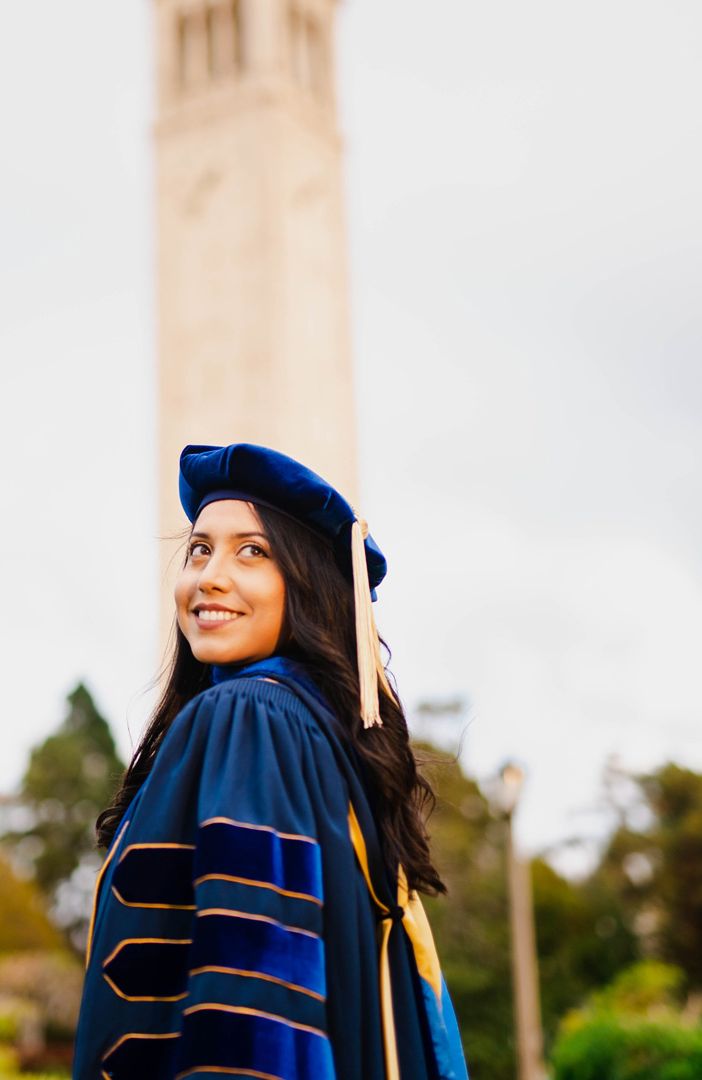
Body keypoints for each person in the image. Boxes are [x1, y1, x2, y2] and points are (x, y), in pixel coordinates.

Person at [73, 442, 468, 1080]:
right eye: (199, 549)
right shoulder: (319, 739)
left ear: (308, 584)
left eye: (252, 552)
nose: (210, 576)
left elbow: (250, 1005)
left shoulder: (249, 718)